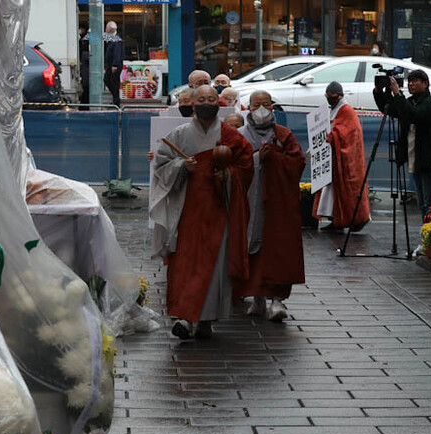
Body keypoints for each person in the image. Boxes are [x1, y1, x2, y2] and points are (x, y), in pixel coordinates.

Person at [149, 86, 254, 339]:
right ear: (192, 104)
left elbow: (246, 166)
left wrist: (228, 174)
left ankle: (207, 319)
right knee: (185, 263)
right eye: (201, 99)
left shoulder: (231, 135)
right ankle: (185, 318)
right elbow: (161, 165)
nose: (206, 103)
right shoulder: (180, 134)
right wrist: (181, 166)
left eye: (211, 99)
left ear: (218, 103)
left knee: (215, 264)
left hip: (219, 208)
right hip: (187, 209)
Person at [235, 90, 307, 322]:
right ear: (248, 108)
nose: (262, 109)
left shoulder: (283, 135)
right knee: (250, 250)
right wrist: (257, 159)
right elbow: (233, 166)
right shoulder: (238, 136)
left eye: (266, 104)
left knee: (278, 250)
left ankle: (277, 300)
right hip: (249, 202)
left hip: (278, 205)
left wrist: (274, 158)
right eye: (257, 104)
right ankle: (256, 299)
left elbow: (298, 163)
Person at [375, 69, 431, 221]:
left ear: (425, 84)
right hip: (417, 160)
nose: (411, 84)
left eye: (415, 81)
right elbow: (390, 109)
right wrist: (379, 91)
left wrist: (398, 95)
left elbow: (413, 115)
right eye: (409, 82)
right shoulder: (410, 101)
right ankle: (427, 240)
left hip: (430, 161)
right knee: (422, 205)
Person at [312, 81, 371, 232]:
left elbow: (346, 132)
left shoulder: (347, 111)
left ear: (339, 96)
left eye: (330, 96)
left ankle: (355, 220)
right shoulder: (336, 110)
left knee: (348, 191)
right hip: (333, 158)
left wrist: (332, 138)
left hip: (347, 161)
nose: (328, 99)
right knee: (331, 192)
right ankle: (335, 219)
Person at [103, 21, 124, 106]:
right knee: (107, 80)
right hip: (110, 65)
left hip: (115, 65)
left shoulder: (116, 39)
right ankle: (115, 99)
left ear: (110, 29)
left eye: (106, 28)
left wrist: (115, 64)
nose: (105, 30)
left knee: (114, 82)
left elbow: (117, 53)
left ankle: (116, 101)